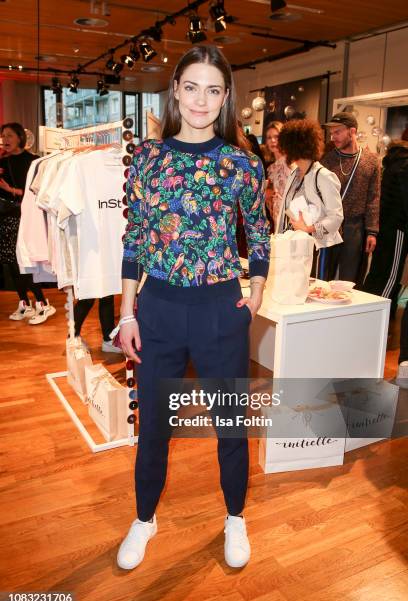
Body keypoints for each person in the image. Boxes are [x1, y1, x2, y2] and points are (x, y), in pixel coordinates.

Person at [117, 45, 270, 571]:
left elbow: (261, 233)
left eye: (213, 90)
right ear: (175, 91)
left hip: (218, 311)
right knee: (154, 424)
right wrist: (126, 313)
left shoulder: (243, 164)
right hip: (156, 308)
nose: (201, 100)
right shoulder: (147, 158)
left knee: (231, 422)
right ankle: (144, 518)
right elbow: (134, 237)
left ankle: (234, 516)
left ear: (225, 97)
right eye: (191, 87)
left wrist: (255, 294)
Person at [362, 140, 408, 386]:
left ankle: (369, 326)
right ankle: (375, 331)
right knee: (389, 280)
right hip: (398, 229)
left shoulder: (393, 162)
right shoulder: (405, 166)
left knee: (378, 277)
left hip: (385, 228)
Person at [0, 122, 56, 324]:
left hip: (25, 219)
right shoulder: (2, 162)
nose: (5, 140)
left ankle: (42, 302)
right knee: (12, 266)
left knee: (25, 263)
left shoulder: (34, 162)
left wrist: (10, 189)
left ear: (20, 138)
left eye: (9, 136)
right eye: (3, 136)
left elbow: (37, 194)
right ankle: (24, 302)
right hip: (6, 218)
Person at [275, 119, 343, 278]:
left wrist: (307, 228)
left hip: (318, 247)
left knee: (314, 290)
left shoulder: (324, 176)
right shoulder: (294, 173)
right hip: (295, 244)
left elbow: (336, 217)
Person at [321, 112, 381, 283]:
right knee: (322, 276)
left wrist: (372, 232)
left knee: (351, 278)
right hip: (330, 224)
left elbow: (373, 198)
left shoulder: (370, 161)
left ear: (352, 131)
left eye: (337, 132)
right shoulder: (328, 159)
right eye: (331, 133)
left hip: (355, 226)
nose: (333, 137)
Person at [264, 121, 291, 230]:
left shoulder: (291, 164)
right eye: (269, 137)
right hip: (276, 217)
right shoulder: (271, 168)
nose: (273, 141)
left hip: (290, 217)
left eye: (276, 136)